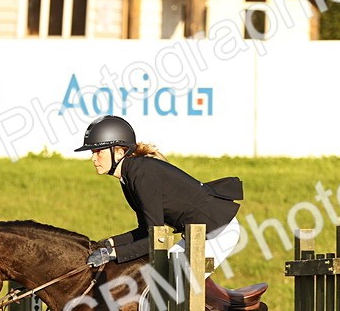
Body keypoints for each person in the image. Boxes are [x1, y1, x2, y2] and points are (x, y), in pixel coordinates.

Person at [74, 115, 243, 275]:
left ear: (118, 152)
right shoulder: (128, 176)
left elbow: (156, 237)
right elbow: (145, 231)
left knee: (171, 284)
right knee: (159, 277)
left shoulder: (142, 174)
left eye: (98, 152)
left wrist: (113, 253)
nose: (93, 159)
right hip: (198, 233)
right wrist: (109, 243)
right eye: (93, 153)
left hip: (219, 232)